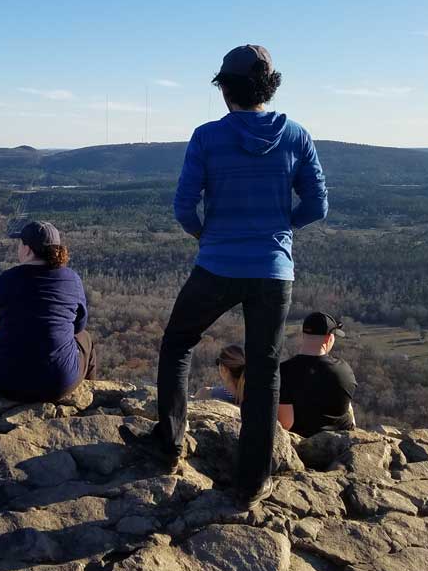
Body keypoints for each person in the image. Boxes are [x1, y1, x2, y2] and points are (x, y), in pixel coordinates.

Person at [120, 44, 328, 512]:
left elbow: (183, 206)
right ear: (268, 87)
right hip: (274, 271)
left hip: (216, 264)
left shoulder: (207, 137)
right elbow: (317, 206)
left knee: (178, 342)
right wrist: (277, 229)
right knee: (264, 369)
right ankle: (252, 482)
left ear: (225, 89)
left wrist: (209, 235)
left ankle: (170, 443)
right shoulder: (296, 135)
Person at [0, 220, 95, 403]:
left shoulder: (7, 278)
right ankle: (89, 397)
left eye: (20, 244)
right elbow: (79, 325)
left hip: (5, 381)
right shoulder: (71, 279)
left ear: (27, 250)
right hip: (58, 383)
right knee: (85, 338)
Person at [279, 312, 357, 437]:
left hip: (301, 444)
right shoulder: (344, 370)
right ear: (328, 339)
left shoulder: (284, 371)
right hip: (341, 443)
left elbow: (286, 424)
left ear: (304, 335)